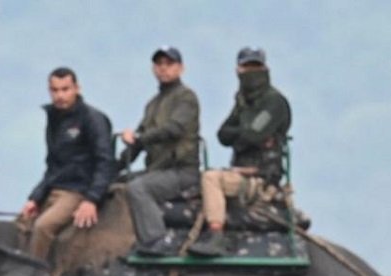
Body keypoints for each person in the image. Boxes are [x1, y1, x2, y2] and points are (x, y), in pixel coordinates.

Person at [189, 47, 290, 257]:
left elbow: (252, 135)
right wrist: (245, 132)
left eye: (255, 67)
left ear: (265, 68)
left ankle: (216, 236)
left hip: (261, 177)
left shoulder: (274, 102)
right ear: (238, 70)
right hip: (239, 172)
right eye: (246, 67)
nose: (251, 72)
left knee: (211, 178)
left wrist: (244, 133)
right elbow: (222, 135)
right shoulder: (242, 101)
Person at [18, 67, 115, 262]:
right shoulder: (54, 119)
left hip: (77, 190)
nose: (60, 95)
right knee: (21, 223)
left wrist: (92, 199)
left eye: (65, 89)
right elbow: (52, 165)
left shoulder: (92, 119)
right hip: (55, 187)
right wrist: (35, 197)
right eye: (55, 90)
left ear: (76, 88)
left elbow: (105, 161)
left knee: (43, 226)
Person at [118, 46, 201, 256]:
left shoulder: (186, 98)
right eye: (159, 64)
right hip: (157, 170)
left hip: (181, 170)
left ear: (180, 68)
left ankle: (157, 240)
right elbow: (138, 142)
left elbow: (174, 128)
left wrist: (139, 138)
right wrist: (113, 168)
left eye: (169, 64)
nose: (163, 69)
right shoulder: (153, 105)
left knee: (139, 188)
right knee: (116, 184)